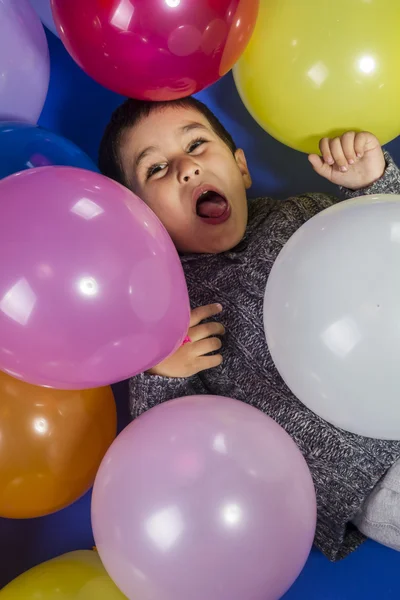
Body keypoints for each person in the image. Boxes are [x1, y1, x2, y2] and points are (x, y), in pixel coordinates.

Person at [99, 96, 400, 561]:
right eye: (156, 169)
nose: (186, 168)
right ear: (143, 219)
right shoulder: (169, 309)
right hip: (364, 475)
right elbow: (169, 442)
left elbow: (387, 249)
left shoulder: (307, 214)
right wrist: (160, 373)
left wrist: (373, 184)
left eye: (197, 144)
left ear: (241, 168)